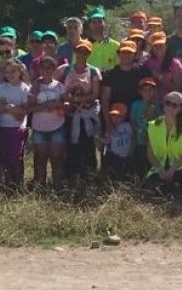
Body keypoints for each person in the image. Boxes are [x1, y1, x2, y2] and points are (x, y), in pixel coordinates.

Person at [57, 40, 103, 179]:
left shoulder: (94, 71)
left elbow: (95, 94)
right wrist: (68, 100)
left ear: (89, 53)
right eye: (79, 51)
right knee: (71, 144)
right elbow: (58, 88)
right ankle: (71, 175)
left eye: (85, 52)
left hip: (87, 115)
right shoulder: (65, 69)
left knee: (88, 144)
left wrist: (76, 100)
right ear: (75, 52)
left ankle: (89, 174)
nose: (82, 54)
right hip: (70, 114)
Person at [145, 91, 182, 194]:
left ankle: (167, 189)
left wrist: (173, 169)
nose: (170, 107)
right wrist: (160, 170)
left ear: (181, 108)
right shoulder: (152, 126)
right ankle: (170, 189)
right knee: (150, 181)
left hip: (179, 166)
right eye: (168, 103)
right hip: (160, 167)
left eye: (175, 105)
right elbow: (150, 154)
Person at [28, 56, 67, 187]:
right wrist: (44, 106)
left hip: (57, 126)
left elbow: (68, 105)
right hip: (39, 127)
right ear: (39, 69)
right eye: (43, 67)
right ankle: (39, 186)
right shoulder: (34, 85)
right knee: (40, 159)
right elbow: (28, 107)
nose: (46, 70)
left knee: (57, 159)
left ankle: (58, 186)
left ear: (54, 69)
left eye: (49, 67)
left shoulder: (60, 86)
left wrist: (58, 104)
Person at [0, 58, 31, 187]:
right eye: (7, 72)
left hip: (17, 128)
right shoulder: (1, 87)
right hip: (1, 126)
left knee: (16, 157)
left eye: (13, 71)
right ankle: (7, 183)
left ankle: (18, 184)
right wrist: (13, 110)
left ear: (20, 72)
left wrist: (7, 107)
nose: (10, 74)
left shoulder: (25, 89)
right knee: (4, 156)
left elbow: (23, 112)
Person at [101, 40, 154, 118]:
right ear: (118, 54)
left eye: (129, 53)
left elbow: (151, 95)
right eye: (123, 52)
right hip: (116, 118)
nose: (126, 55)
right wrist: (108, 122)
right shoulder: (109, 74)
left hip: (139, 117)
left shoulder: (144, 72)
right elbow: (105, 100)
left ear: (135, 55)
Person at [130, 77, 160, 177]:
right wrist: (137, 130)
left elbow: (160, 121)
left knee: (151, 163)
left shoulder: (156, 106)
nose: (148, 93)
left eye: (150, 90)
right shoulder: (135, 105)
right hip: (140, 140)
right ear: (140, 92)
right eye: (145, 90)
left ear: (154, 91)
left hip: (153, 141)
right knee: (140, 162)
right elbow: (132, 121)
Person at [99, 103, 135, 180]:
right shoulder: (110, 129)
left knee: (127, 175)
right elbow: (107, 142)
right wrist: (99, 139)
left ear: (124, 117)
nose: (115, 118)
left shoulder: (127, 126)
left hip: (127, 156)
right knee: (114, 174)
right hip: (116, 156)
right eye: (113, 116)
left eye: (119, 116)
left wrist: (131, 150)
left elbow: (133, 138)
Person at [145, 32, 182, 100]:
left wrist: (159, 77)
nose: (158, 48)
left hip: (170, 105)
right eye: (155, 46)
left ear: (166, 46)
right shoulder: (148, 63)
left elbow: (177, 89)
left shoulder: (175, 64)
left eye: (161, 45)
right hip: (153, 103)